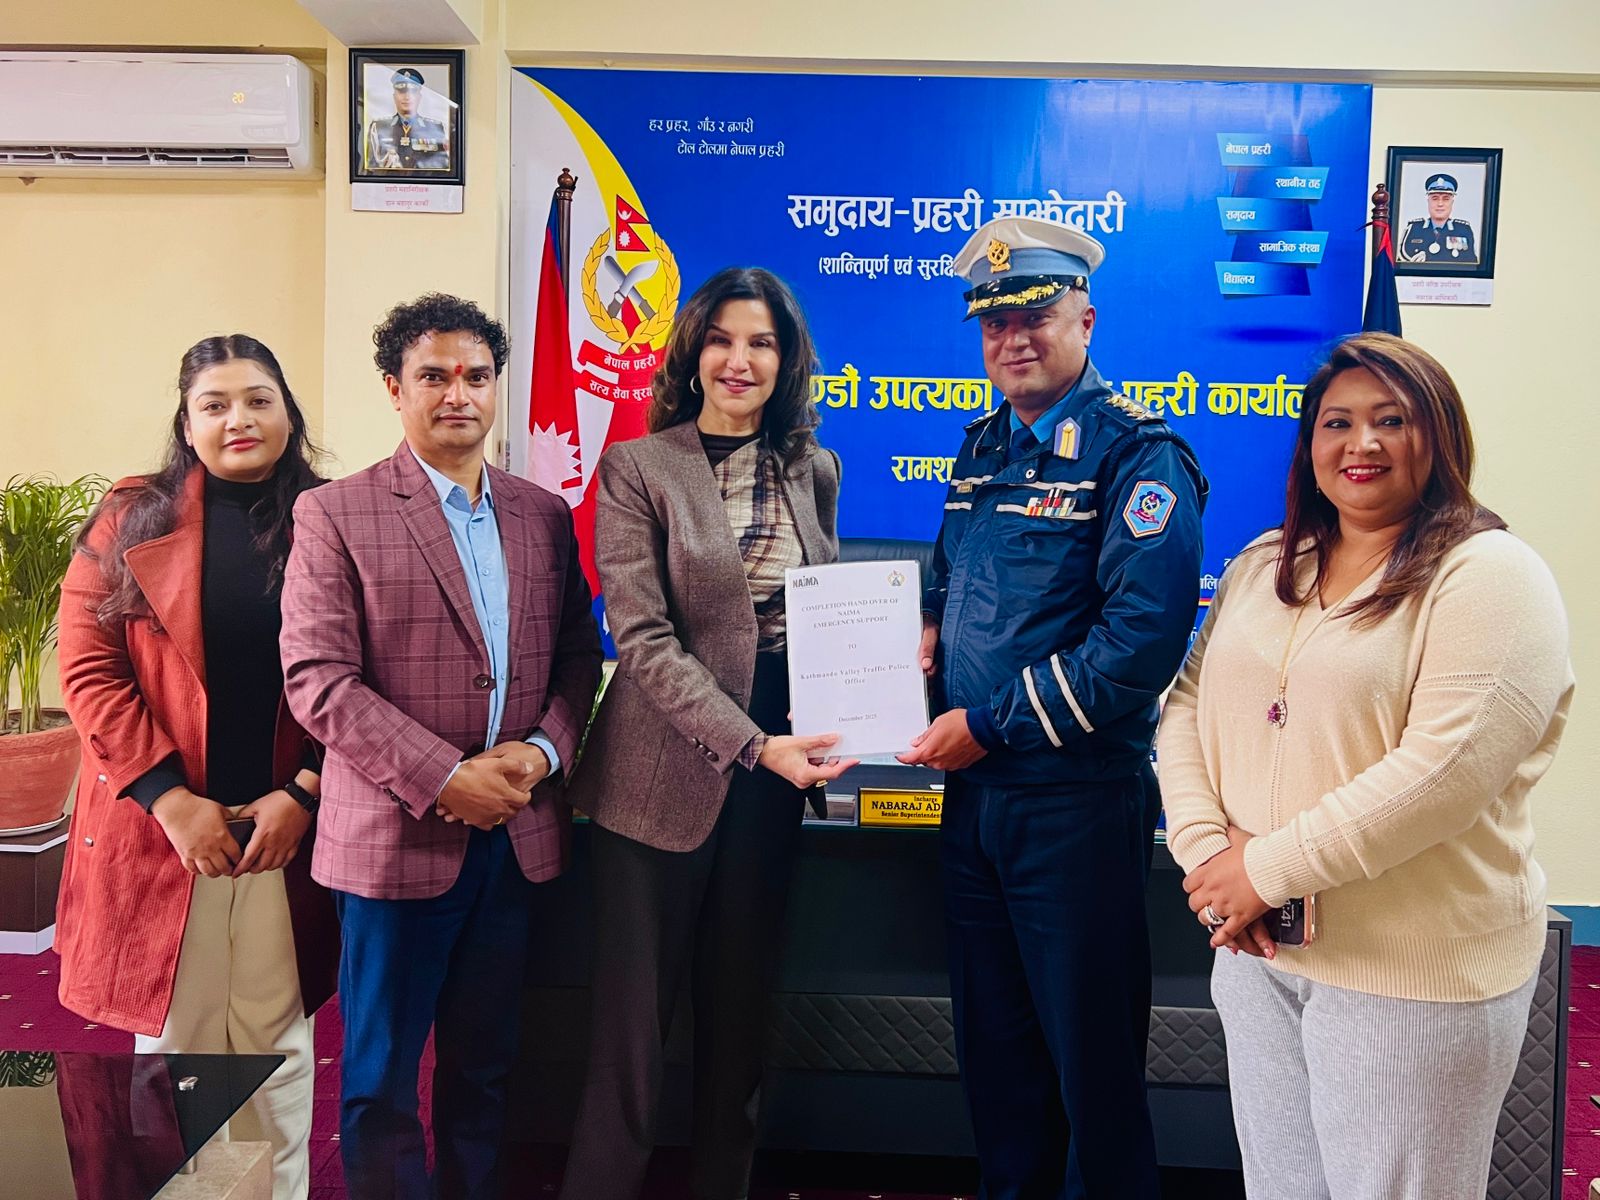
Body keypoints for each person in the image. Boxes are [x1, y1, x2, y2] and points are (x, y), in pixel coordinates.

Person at [1159, 333, 1573, 1199]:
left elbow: (1441, 777)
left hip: (1409, 973)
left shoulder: (1493, 576)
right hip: (1259, 951)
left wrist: (1262, 871)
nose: (1363, 443)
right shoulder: (1264, 564)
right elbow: (1188, 707)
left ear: (1440, 434)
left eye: (1393, 419)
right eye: (1337, 422)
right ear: (1309, 444)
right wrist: (1211, 862)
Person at [900, 216, 1206, 1199]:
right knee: (997, 1063)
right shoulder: (982, 446)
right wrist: (924, 633)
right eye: (994, 324)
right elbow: (950, 578)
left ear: (1086, 320)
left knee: (1091, 1071)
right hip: (975, 805)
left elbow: (1137, 646)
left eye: (1034, 315)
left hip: (1073, 804)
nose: (1013, 339)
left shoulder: (1138, 457)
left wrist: (989, 724)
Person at [279, 294, 602, 1200]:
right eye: (434, 376)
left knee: (486, 1070)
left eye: (476, 376)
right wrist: (445, 776)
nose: (458, 394)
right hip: (394, 844)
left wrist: (542, 753)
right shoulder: (334, 513)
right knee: (381, 1081)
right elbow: (318, 679)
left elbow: (578, 655)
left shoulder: (542, 514)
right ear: (395, 388)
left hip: (516, 837)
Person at [558, 267, 855, 1200]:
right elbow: (642, 639)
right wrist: (754, 743)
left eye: (762, 342)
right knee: (632, 1032)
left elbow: (814, 613)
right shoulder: (639, 467)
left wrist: (881, 667)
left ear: (786, 359)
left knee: (739, 1016)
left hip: (773, 781)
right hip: (657, 776)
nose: (740, 359)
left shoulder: (813, 468)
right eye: (722, 339)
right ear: (693, 354)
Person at [55, 334, 338, 1199]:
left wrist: (305, 794)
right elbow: (88, 669)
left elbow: (369, 674)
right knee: (179, 1052)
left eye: (258, 399)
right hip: (167, 834)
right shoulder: (130, 516)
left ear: (288, 413)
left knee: (276, 1042)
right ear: (186, 423)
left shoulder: (335, 516)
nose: (238, 419)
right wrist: (171, 801)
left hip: (283, 832)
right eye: (214, 404)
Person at [365, 68, 450, 172]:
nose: (407, 97)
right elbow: (370, 169)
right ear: (394, 96)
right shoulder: (378, 127)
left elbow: (441, 168)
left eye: (413, 92)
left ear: (419, 97)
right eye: (402, 92)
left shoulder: (434, 128)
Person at [1398, 172, 1477, 264]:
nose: (1440, 204)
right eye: (1435, 198)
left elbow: (1471, 262)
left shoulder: (1463, 230)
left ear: (1452, 202)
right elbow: (1402, 257)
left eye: (1446, 199)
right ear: (1428, 201)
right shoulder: (1413, 228)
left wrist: (1429, 258)